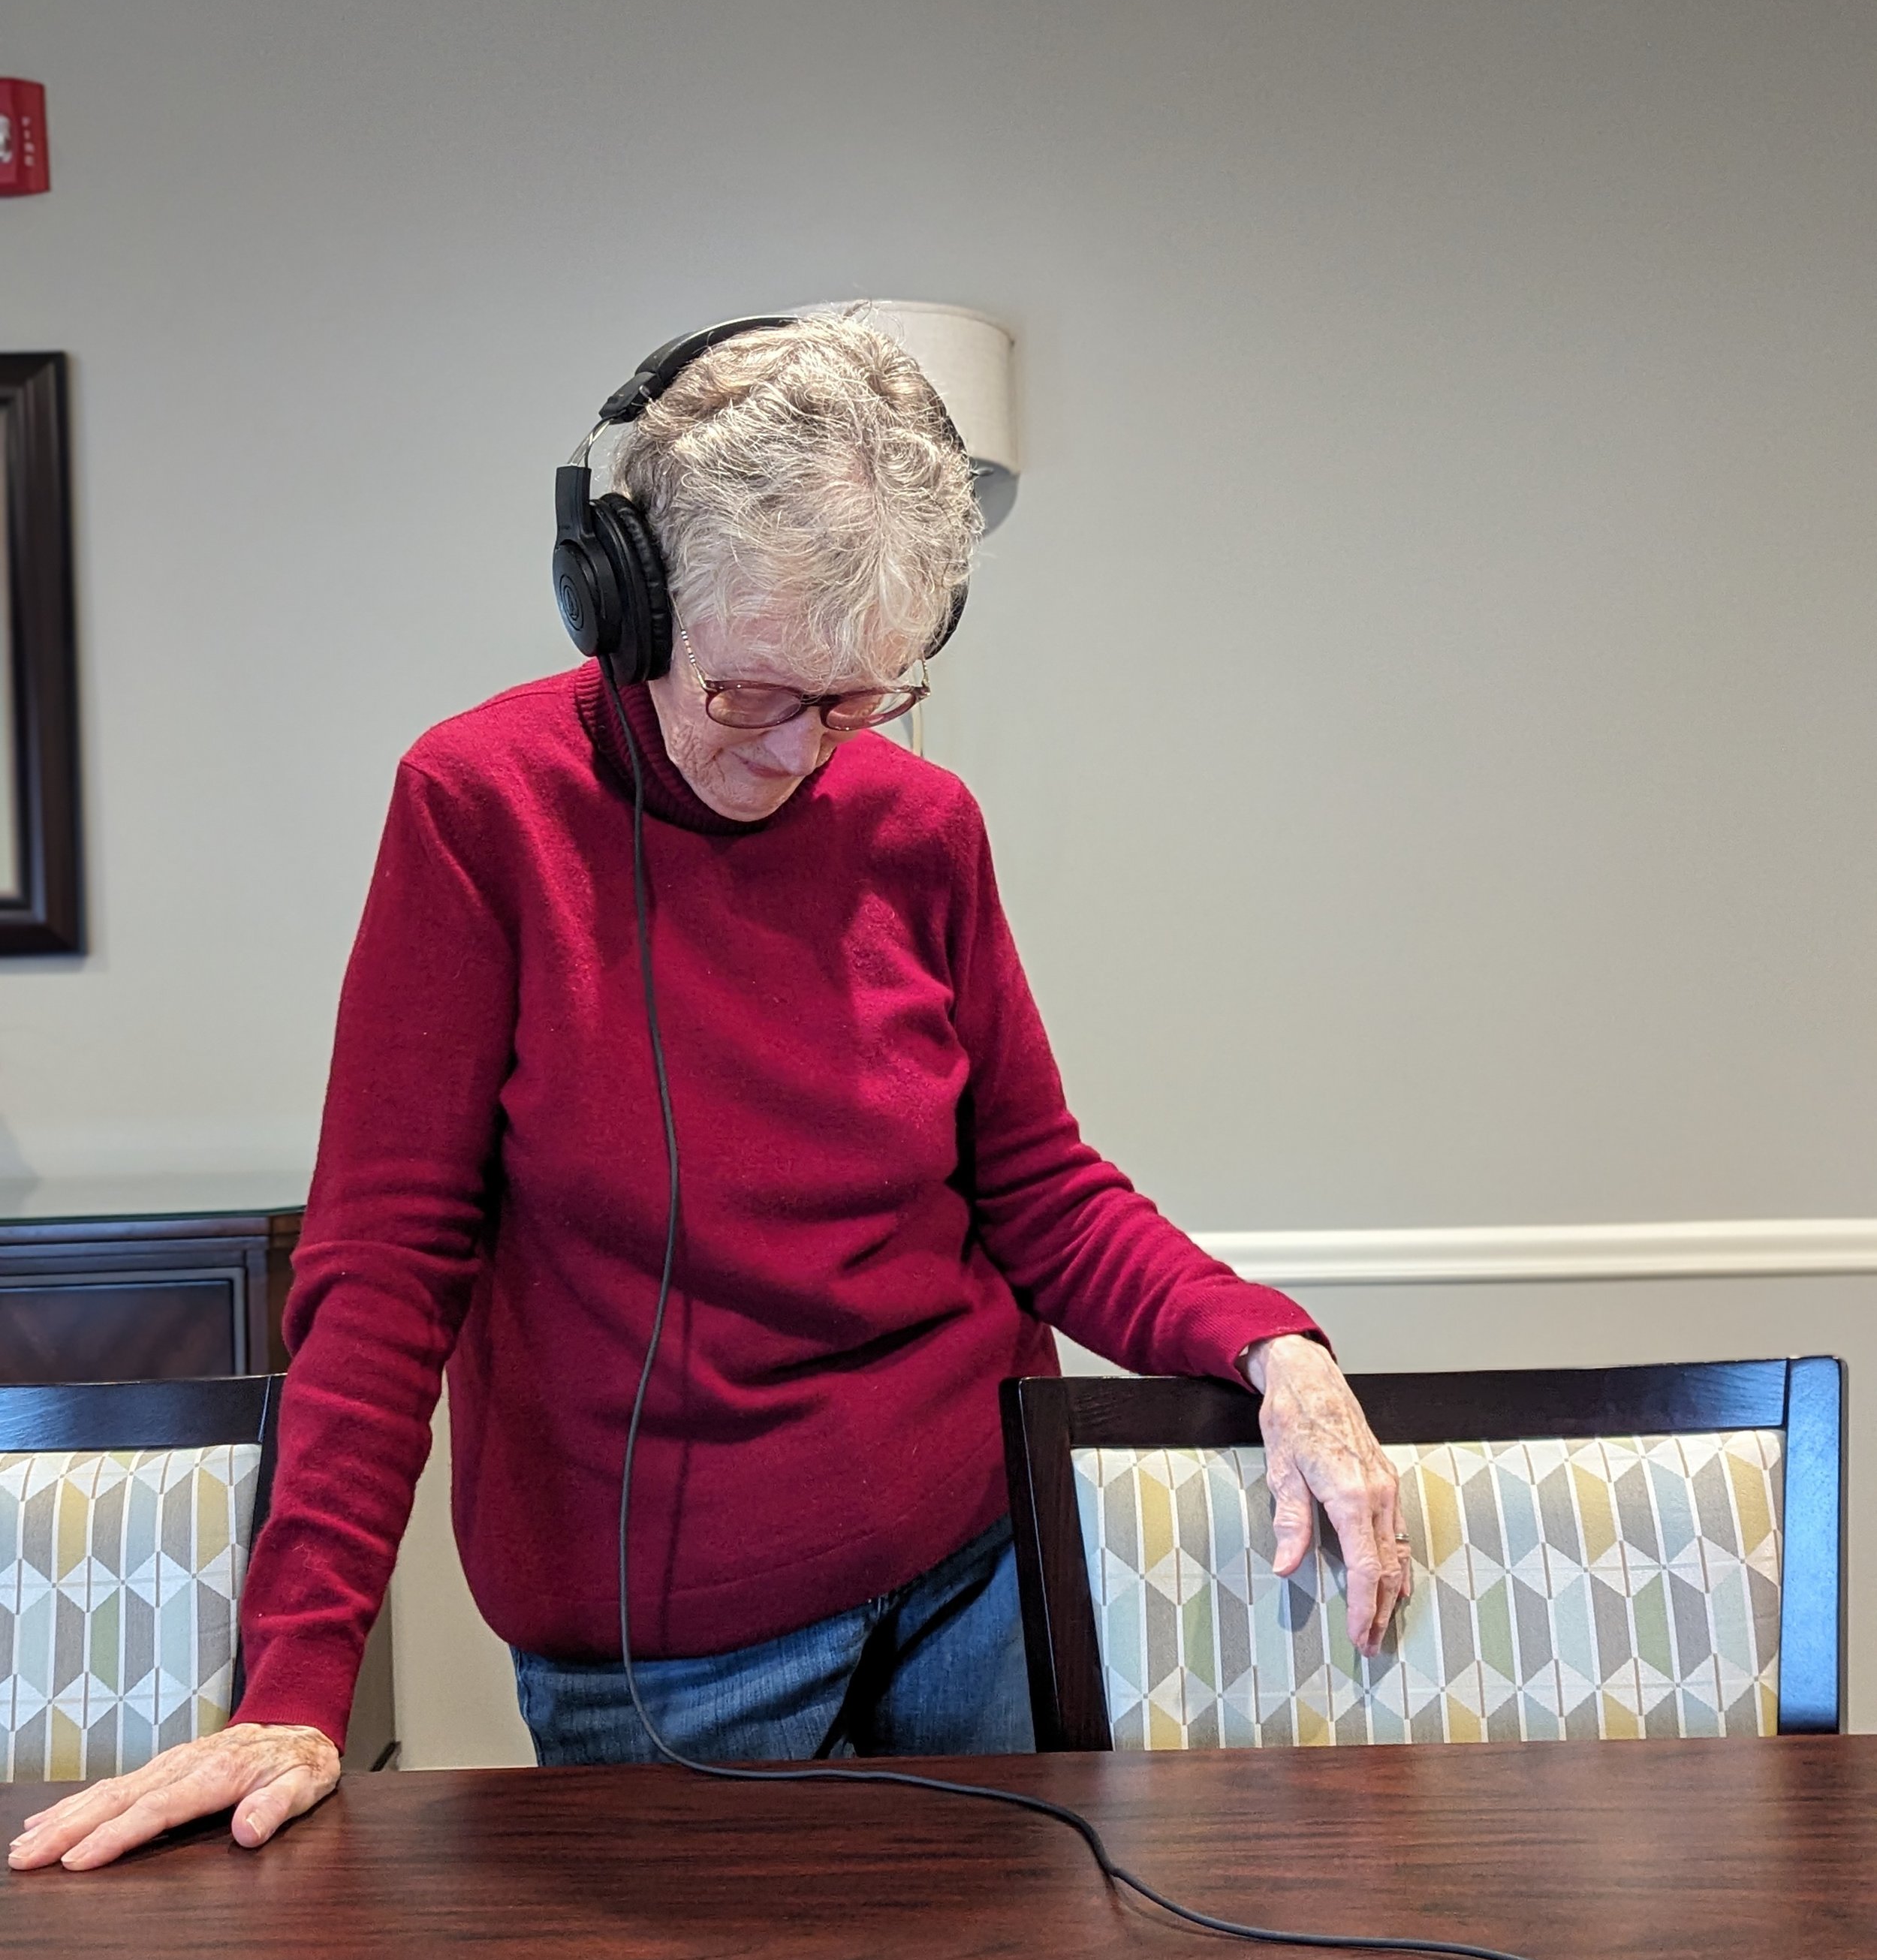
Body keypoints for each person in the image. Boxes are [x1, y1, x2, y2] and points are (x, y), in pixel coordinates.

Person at [11, 313, 1409, 1877]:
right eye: (754, 695)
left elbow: (1037, 1188)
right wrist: (293, 1687)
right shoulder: (479, 816)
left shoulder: (921, 826)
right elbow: (385, 1267)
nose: (802, 753)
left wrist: (1265, 1340)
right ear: (622, 601)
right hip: (670, 1665)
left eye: (856, 700)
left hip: (983, 1579)